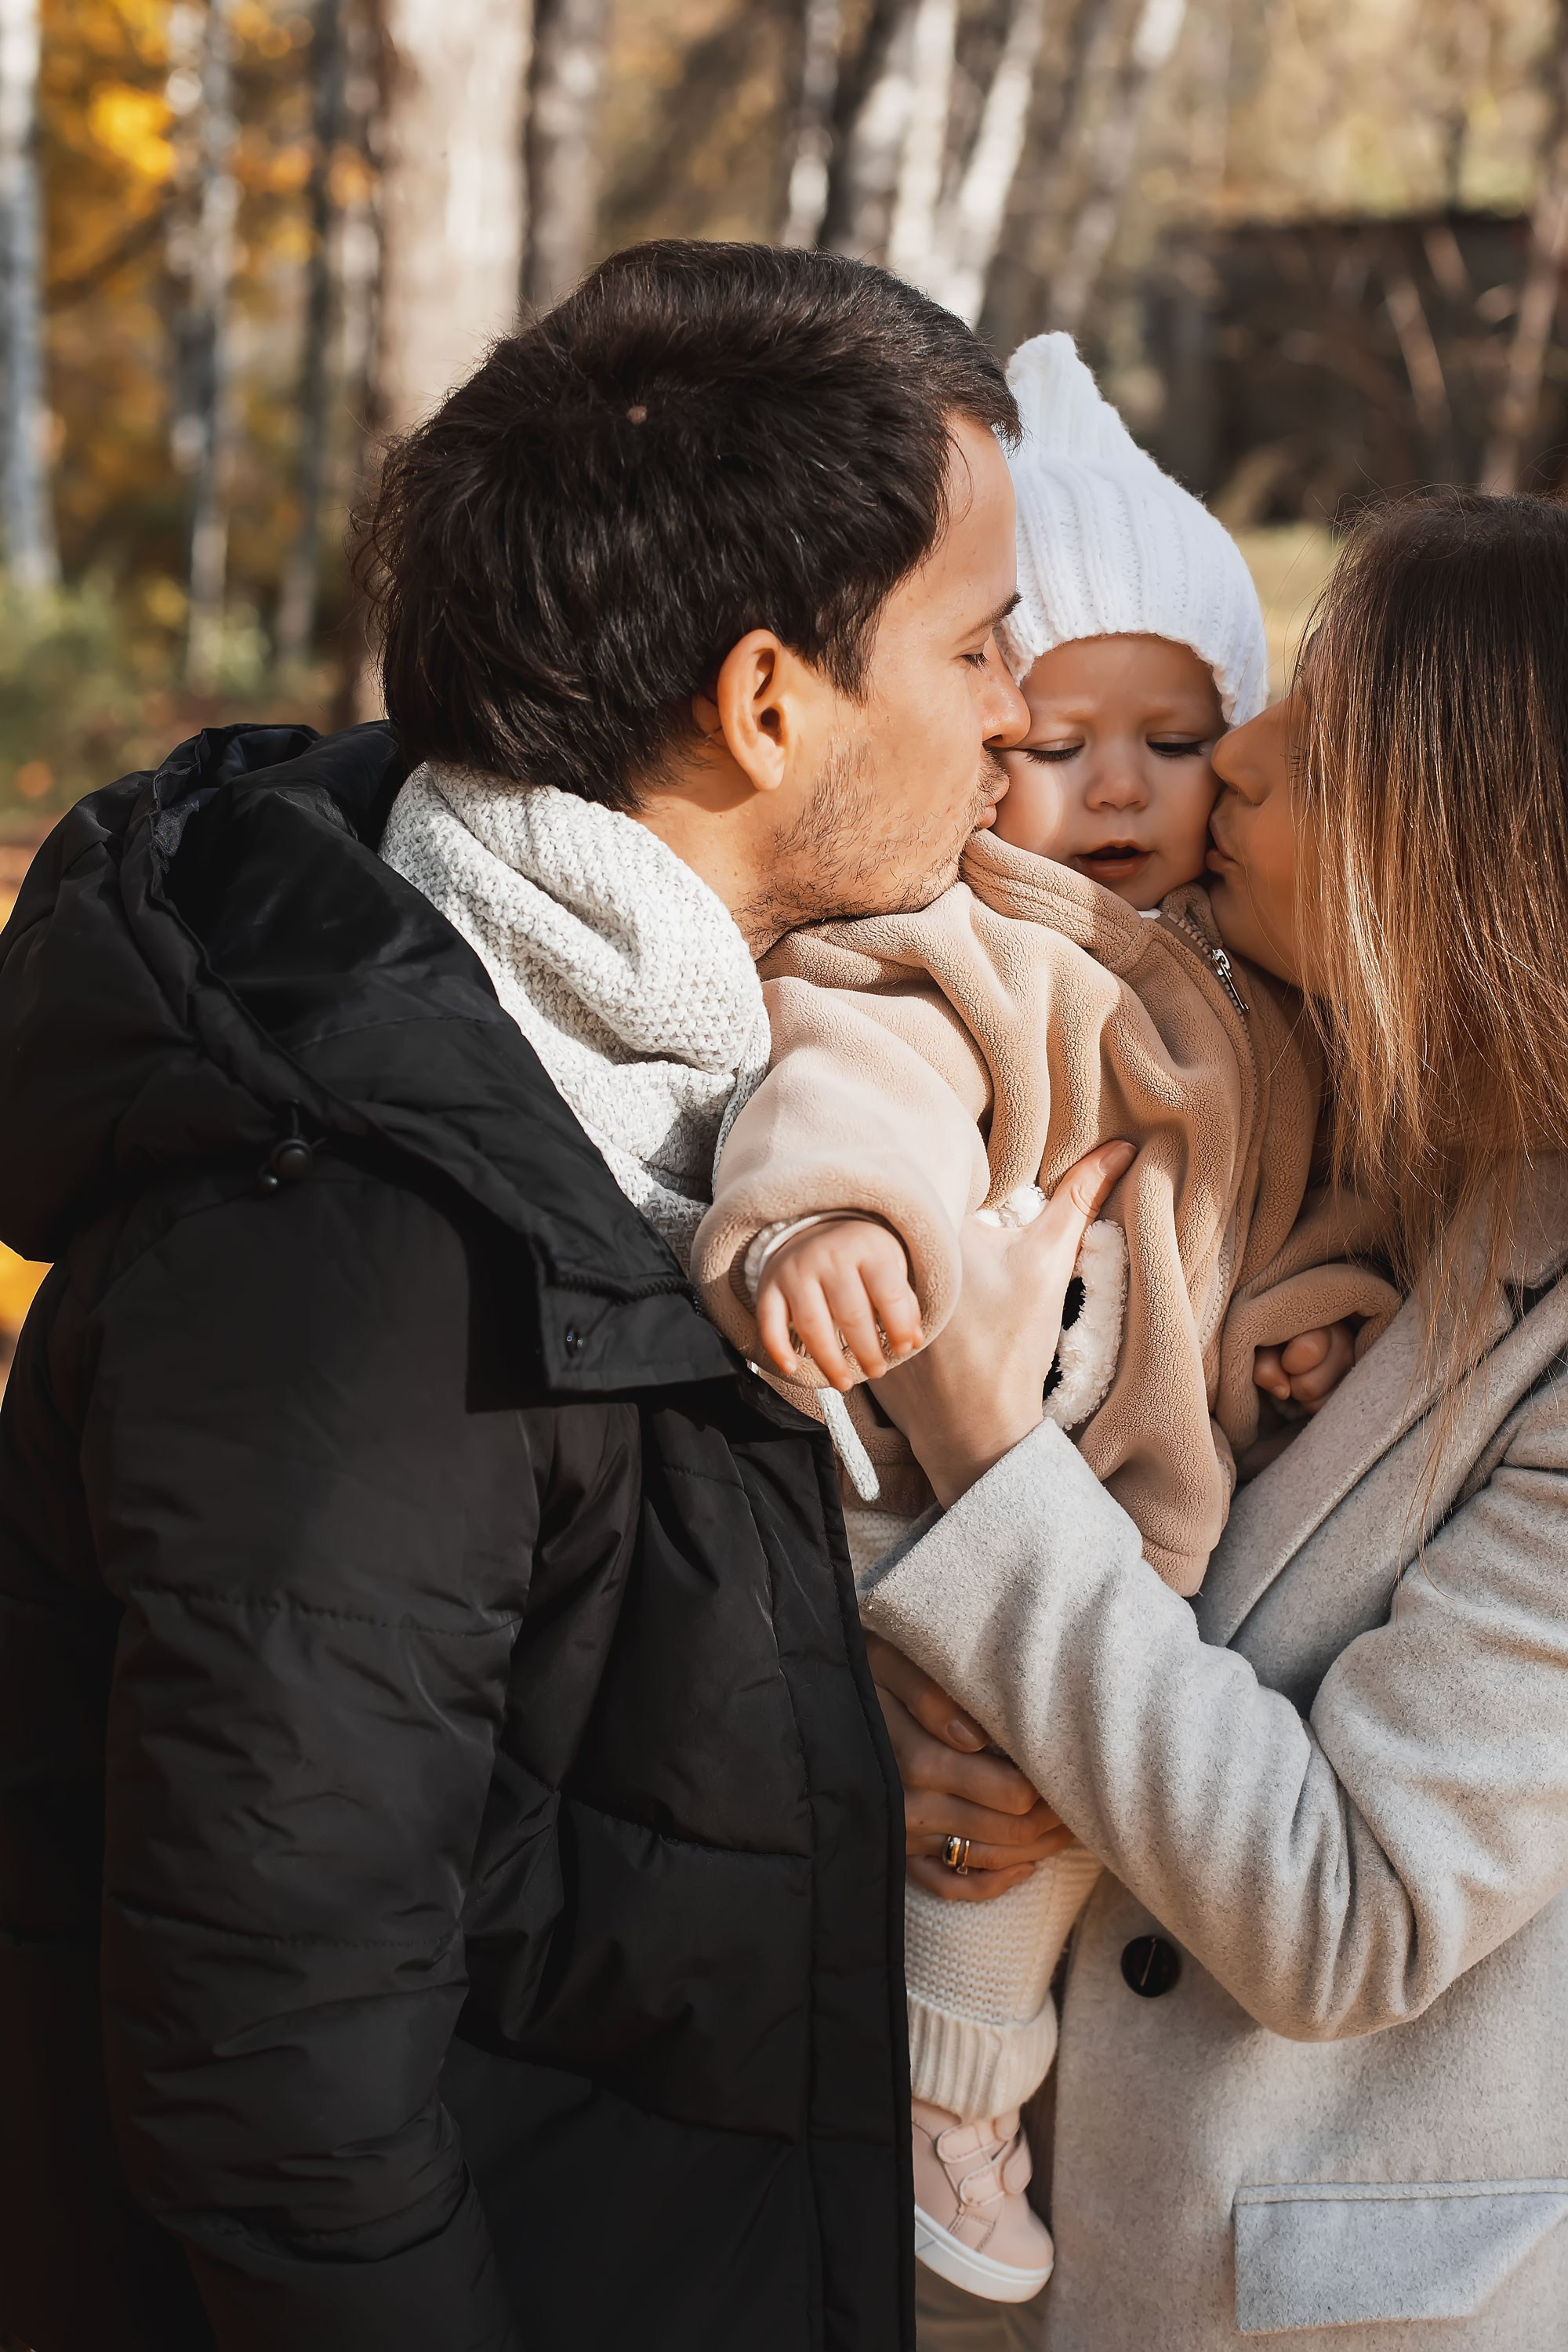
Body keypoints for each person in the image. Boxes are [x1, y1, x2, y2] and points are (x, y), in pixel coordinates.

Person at [0, 240, 1030, 2352]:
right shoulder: (354, 1239)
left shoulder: (670, 1079)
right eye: (975, 642)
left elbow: (557, 1786)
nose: (1020, 707)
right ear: (767, 703)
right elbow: (276, 2066)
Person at [690, 334, 1394, 2303]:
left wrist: (1319, 1316)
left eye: (1174, 741)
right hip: (936, 1489)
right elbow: (853, 1076)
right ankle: (948, 2106)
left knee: (1085, 1782)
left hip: (1133, 1509)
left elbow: (1315, 1206)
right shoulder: (970, 948)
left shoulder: (1264, 995)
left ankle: (973, 2096)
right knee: (989, 1798)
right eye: (1059, 739)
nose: (1117, 787)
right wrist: (826, 1221)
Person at [855, 487, 1568, 2350]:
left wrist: (989, 1456)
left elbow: (1352, 1912)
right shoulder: (1322, 1126)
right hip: (1026, 2246)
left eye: (1317, 749)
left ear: (1476, 852)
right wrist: (934, 1747)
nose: (1235, 754)